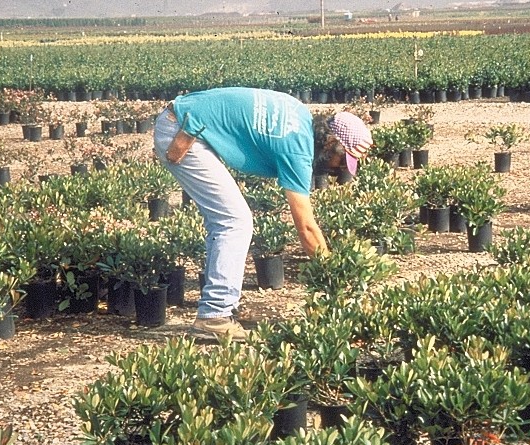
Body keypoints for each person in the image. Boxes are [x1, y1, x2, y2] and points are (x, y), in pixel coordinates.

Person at [153, 87, 372, 341]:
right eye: (342, 160)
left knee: (226, 220)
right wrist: (335, 277)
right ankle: (214, 316)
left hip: (183, 120)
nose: (339, 170)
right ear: (332, 142)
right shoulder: (298, 149)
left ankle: (219, 307)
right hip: (184, 132)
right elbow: (307, 228)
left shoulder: (300, 115)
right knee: (234, 221)